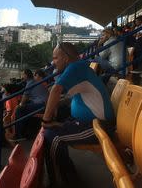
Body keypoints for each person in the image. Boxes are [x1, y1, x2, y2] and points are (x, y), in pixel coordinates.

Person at [41, 42, 115, 186]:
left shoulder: (75, 67)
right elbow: (57, 93)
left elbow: (55, 90)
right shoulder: (79, 66)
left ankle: (60, 182)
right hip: (87, 121)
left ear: (66, 58)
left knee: (52, 136)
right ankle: (69, 176)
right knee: (52, 129)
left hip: (98, 126)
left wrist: (46, 119)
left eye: (55, 58)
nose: (53, 62)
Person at [12, 69, 49, 140]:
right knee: (23, 109)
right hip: (43, 103)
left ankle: (18, 135)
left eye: (23, 75)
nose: (22, 77)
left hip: (41, 105)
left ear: (26, 75)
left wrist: (19, 105)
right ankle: (25, 132)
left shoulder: (30, 83)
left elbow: (23, 100)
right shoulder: (34, 81)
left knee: (19, 110)